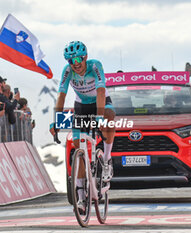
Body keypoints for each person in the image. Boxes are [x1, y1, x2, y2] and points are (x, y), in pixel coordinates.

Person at [49, 41, 115, 211]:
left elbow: (101, 91)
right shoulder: (68, 71)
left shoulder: (95, 66)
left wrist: (99, 118)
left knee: (110, 117)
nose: (76, 63)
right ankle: (80, 197)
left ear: (85, 57)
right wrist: (56, 121)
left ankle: (106, 160)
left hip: (100, 102)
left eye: (78, 58)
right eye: (71, 61)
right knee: (78, 148)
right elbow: (61, 96)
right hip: (81, 105)